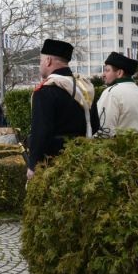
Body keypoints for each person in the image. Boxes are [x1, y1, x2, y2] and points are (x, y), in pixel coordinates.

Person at [27, 39, 94, 180]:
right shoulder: (84, 88)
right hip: (83, 161)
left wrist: (32, 166)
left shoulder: (45, 91)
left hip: (53, 166)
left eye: (41, 60)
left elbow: (41, 132)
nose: (40, 65)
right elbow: (95, 124)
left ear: (48, 61)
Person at [93, 52, 138, 137]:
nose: (103, 75)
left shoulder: (111, 92)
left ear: (119, 73)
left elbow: (104, 130)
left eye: (107, 70)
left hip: (117, 145)